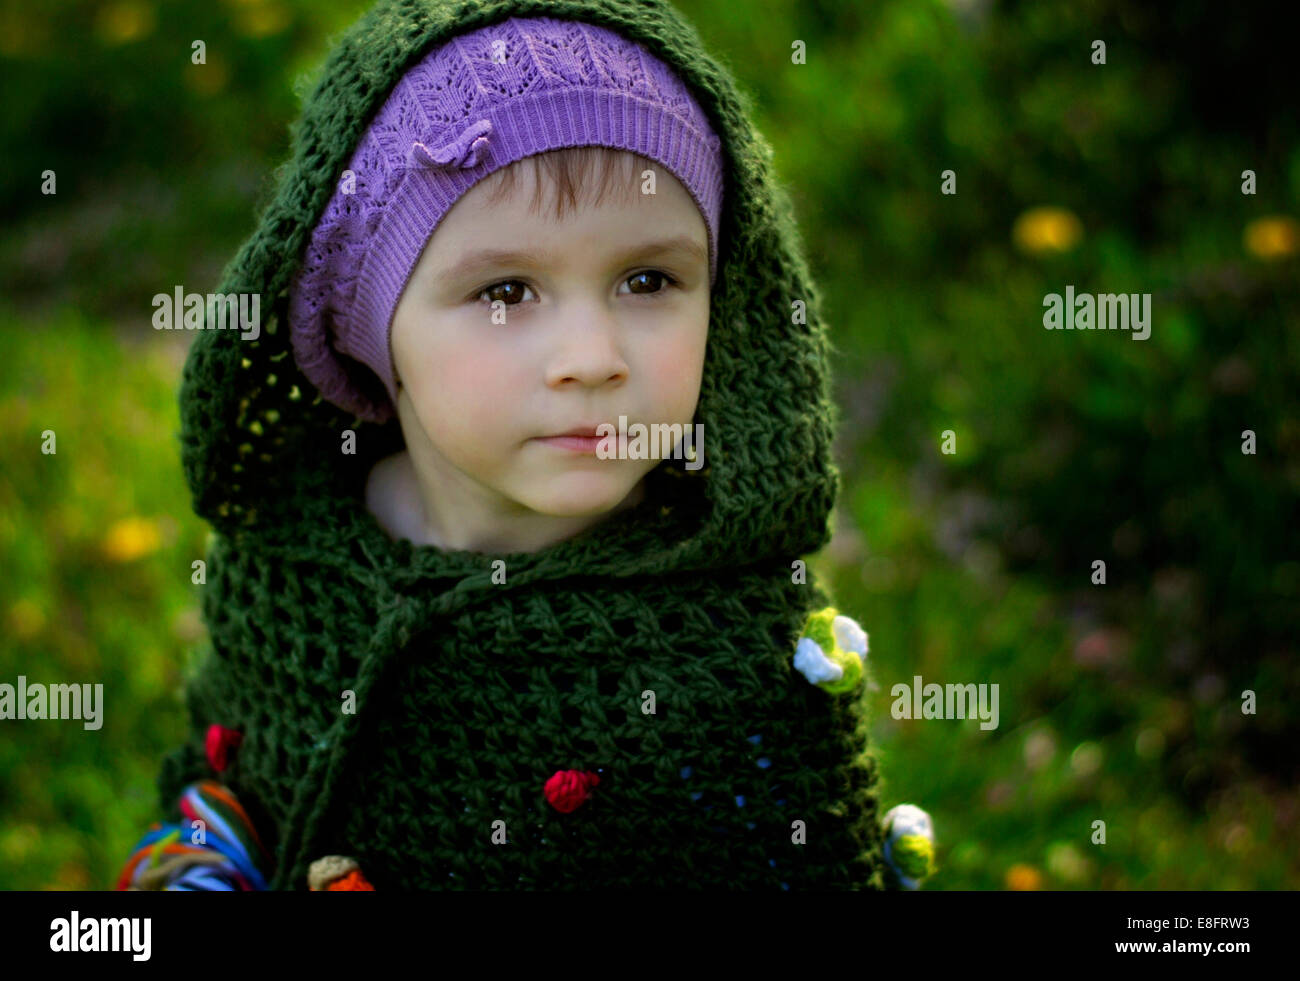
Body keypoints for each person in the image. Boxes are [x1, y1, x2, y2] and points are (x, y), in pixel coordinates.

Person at [117, 0, 933, 891]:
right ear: (367, 324)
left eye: (649, 279)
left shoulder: (732, 657)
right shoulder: (293, 566)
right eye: (506, 290)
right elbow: (224, 801)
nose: (592, 360)